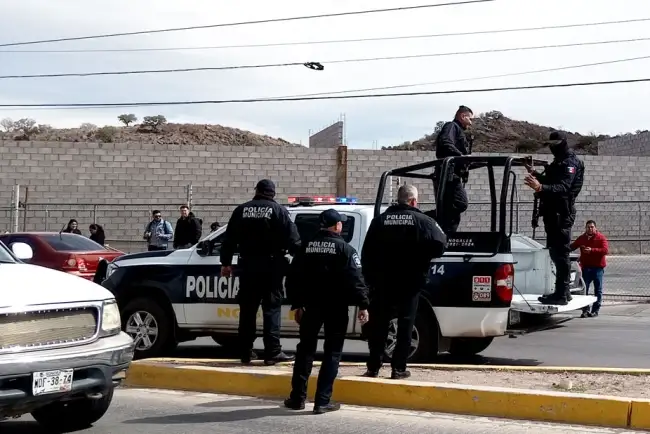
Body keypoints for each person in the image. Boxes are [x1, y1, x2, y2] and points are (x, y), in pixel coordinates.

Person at [283, 209, 370, 414]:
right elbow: (356, 280)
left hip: (311, 307)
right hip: (336, 308)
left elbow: (293, 278)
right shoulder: (345, 249)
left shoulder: (305, 247)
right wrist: (363, 305)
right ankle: (322, 401)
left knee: (305, 350)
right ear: (337, 226)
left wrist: (297, 304)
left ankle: (297, 398)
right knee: (332, 352)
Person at [360, 185, 447, 379]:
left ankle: (373, 367)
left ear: (398, 199)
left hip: (382, 283)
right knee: (406, 325)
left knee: (379, 325)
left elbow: (367, 253)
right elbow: (441, 244)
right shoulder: (424, 221)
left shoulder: (379, 221)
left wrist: (370, 279)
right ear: (414, 201)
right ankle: (398, 369)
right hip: (410, 282)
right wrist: (423, 255)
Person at [220, 179, 301, 365]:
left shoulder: (241, 210)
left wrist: (226, 263)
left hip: (248, 265)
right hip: (272, 266)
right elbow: (293, 239)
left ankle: (245, 351)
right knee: (271, 309)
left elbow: (229, 238)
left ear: (256, 190)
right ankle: (272, 352)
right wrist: (300, 259)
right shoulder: (279, 211)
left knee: (247, 309)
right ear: (272, 193)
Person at [524, 131, 585, 306]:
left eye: (554, 145)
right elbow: (550, 180)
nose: (551, 148)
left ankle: (561, 293)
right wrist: (534, 173)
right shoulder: (559, 161)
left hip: (562, 212)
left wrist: (540, 187)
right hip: (553, 211)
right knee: (555, 252)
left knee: (561, 253)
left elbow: (564, 187)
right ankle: (563, 292)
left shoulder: (570, 162)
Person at [432, 105, 474, 233]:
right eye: (470, 119)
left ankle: (447, 237)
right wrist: (461, 156)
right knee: (460, 203)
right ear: (463, 116)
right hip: (448, 174)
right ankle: (425, 219)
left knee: (453, 217)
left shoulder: (458, 130)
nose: (471, 123)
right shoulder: (451, 126)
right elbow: (445, 142)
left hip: (452, 174)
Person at [570, 220, 608, 317]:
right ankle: (585, 310)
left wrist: (592, 250)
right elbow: (572, 247)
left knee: (598, 290)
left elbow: (605, 250)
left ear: (595, 228)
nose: (590, 229)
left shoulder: (601, 238)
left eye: (592, 227)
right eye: (588, 227)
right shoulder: (582, 238)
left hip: (598, 268)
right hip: (586, 268)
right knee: (584, 290)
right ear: (585, 228)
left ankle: (595, 311)